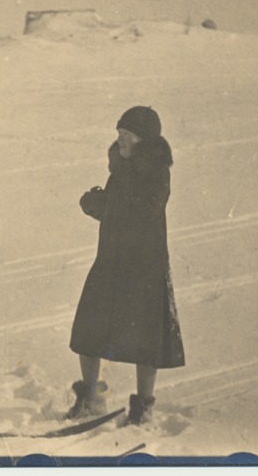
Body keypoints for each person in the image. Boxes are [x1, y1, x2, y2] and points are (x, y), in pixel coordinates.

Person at [68, 106, 185, 426]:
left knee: (146, 341)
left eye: (126, 135)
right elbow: (118, 208)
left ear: (143, 141)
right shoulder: (120, 167)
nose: (119, 140)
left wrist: (104, 204)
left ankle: (143, 406)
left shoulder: (158, 171)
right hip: (111, 260)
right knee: (87, 331)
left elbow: (144, 210)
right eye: (118, 134)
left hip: (144, 266)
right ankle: (90, 398)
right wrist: (97, 204)